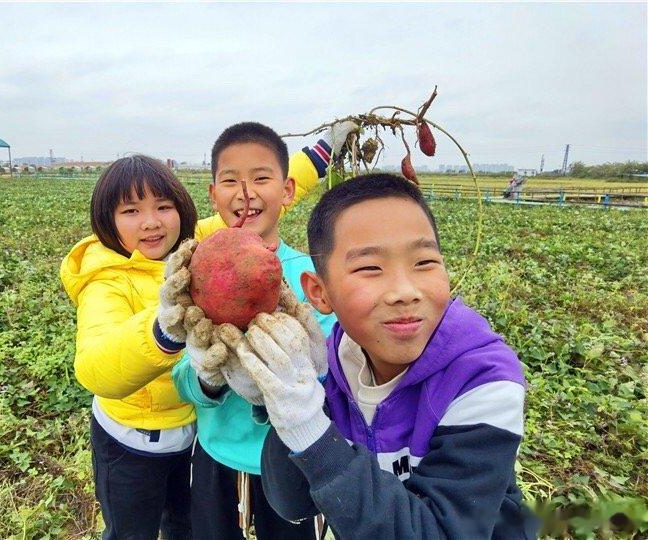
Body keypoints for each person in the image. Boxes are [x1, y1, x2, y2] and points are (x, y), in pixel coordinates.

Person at [59, 124, 354, 539]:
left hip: (205, 441)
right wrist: (169, 336)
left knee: (182, 527)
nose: (150, 223)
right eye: (130, 212)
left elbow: (260, 198)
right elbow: (97, 370)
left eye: (163, 207)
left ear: (184, 210)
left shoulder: (218, 248)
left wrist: (324, 150)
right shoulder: (124, 279)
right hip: (138, 440)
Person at [224, 173, 538, 539]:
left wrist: (309, 428)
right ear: (319, 292)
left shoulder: (481, 380)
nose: (405, 292)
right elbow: (293, 502)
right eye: (370, 268)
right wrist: (286, 403)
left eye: (424, 263)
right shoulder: (332, 366)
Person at [169, 121, 355, 540]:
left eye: (261, 178)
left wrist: (307, 372)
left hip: (297, 457)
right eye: (231, 180)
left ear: (287, 190)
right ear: (213, 194)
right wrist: (207, 374)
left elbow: (338, 376)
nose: (246, 193)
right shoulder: (195, 273)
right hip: (218, 454)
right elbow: (182, 379)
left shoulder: (311, 278)